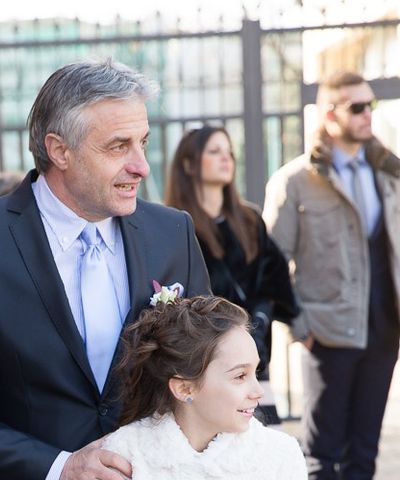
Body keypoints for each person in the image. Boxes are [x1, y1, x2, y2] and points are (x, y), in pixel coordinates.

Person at [0, 58, 211, 480]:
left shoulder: (172, 232)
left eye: (142, 142)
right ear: (59, 150)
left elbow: (206, 370)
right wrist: (59, 468)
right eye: (118, 146)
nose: (141, 165)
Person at [263, 71, 400, 479]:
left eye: (370, 106)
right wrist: (301, 325)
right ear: (329, 113)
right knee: (322, 455)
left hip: (384, 330)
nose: (366, 116)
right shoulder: (295, 182)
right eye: (357, 107)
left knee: (364, 451)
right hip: (328, 333)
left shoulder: (390, 175)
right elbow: (273, 261)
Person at [165, 126, 299, 426]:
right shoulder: (172, 225)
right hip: (205, 361)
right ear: (189, 164)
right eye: (214, 151)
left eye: (229, 152)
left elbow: (273, 280)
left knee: (262, 449)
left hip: (255, 355)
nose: (226, 158)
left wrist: (259, 322)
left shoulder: (249, 219)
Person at [103, 295, 306, 479]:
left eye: (256, 372)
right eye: (240, 376)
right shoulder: (125, 455)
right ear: (184, 389)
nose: (258, 392)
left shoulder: (280, 456)